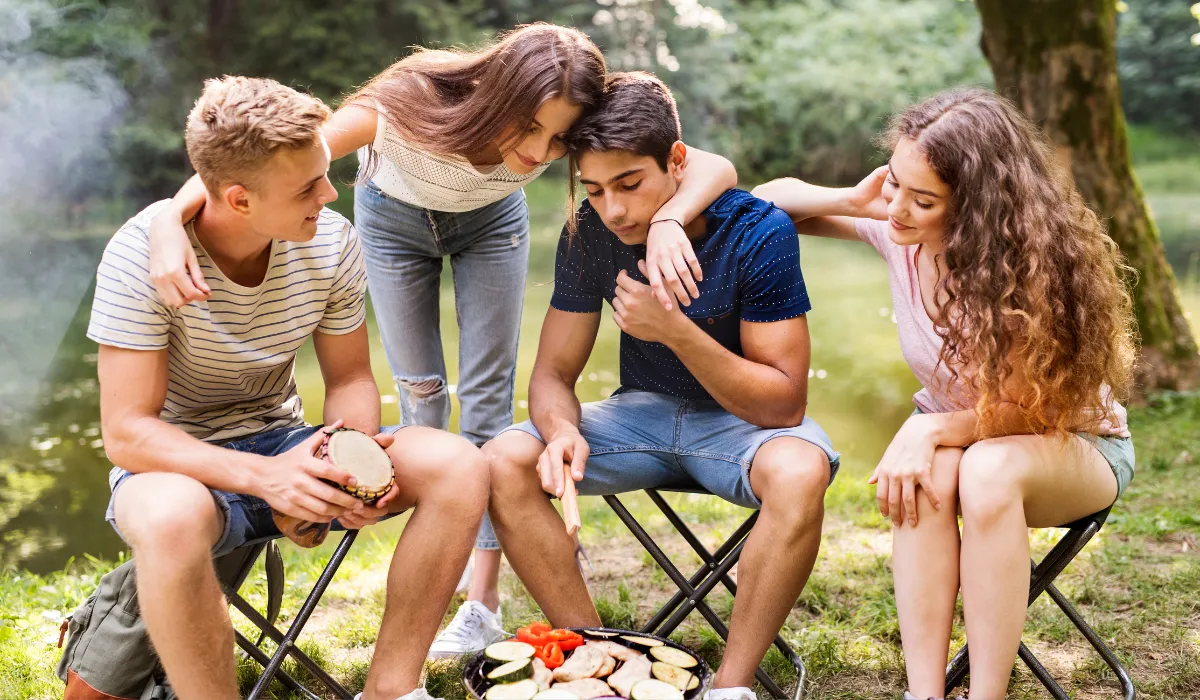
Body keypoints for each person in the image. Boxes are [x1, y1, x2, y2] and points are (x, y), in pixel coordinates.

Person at [144, 24, 737, 656]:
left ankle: (482, 600)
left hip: (492, 226)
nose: (539, 152)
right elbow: (258, 163)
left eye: (557, 138)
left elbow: (710, 164)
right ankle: (436, 563)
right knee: (420, 393)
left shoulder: (575, 101)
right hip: (393, 222)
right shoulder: (408, 102)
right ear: (504, 95)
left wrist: (670, 216)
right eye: (529, 128)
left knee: (487, 395)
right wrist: (167, 217)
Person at [89, 76, 488, 700]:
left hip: (286, 441)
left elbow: (351, 378)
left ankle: (391, 689)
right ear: (240, 199)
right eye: (307, 187)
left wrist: (342, 464)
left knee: (456, 464)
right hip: (174, 465)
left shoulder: (331, 241)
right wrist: (267, 481)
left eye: (325, 175)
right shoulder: (141, 256)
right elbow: (127, 433)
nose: (329, 194)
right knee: (172, 519)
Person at [753, 87, 1137, 700]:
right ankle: (924, 693)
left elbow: (1031, 411)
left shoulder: (1030, 271)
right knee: (927, 478)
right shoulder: (899, 231)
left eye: (924, 199)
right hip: (968, 446)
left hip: (1073, 445)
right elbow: (764, 203)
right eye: (894, 183)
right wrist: (854, 199)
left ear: (977, 207)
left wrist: (929, 426)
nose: (898, 208)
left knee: (985, 470)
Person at [483, 72, 839, 700]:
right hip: (638, 417)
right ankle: (595, 661)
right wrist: (561, 430)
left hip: (740, 428)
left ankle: (730, 687)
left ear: (677, 162)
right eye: (595, 190)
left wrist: (674, 330)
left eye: (629, 184)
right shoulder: (590, 231)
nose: (614, 209)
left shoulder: (758, 231)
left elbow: (784, 404)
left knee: (800, 471)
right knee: (504, 458)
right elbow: (554, 373)